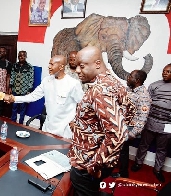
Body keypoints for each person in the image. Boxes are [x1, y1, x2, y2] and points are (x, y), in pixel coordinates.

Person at [68, 46, 131, 196]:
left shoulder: (100, 90)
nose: (77, 70)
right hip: (101, 159)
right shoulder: (115, 83)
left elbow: (118, 134)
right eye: (76, 66)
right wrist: (81, 125)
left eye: (82, 66)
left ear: (97, 64)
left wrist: (95, 164)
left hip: (87, 163)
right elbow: (128, 114)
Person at [9, 55, 84, 138]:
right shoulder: (46, 80)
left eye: (52, 64)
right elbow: (33, 96)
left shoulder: (73, 84)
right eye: (49, 64)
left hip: (64, 132)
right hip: (47, 129)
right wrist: (14, 98)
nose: (49, 67)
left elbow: (82, 104)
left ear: (61, 67)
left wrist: (77, 122)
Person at [131, 64, 171, 183]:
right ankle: (138, 163)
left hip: (167, 124)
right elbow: (147, 103)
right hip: (151, 121)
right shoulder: (154, 85)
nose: (165, 73)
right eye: (164, 71)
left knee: (162, 149)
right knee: (143, 144)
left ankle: (158, 170)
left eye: (168, 71)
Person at [111, 70, 151, 178]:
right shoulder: (129, 89)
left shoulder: (143, 96)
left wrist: (133, 133)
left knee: (123, 151)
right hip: (121, 124)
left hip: (129, 128)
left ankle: (123, 174)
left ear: (137, 80)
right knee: (118, 148)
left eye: (130, 76)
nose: (128, 78)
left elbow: (143, 117)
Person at [9, 51, 34, 124]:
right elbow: (12, 77)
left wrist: (29, 90)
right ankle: (13, 122)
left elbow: (31, 79)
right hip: (15, 90)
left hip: (24, 91)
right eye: (19, 56)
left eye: (23, 56)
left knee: (22, 109)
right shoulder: (15, 66)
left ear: (26, 56)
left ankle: (20, 123)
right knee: (14, 107)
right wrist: (10, 87)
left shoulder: (29, 67)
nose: (21, 57)